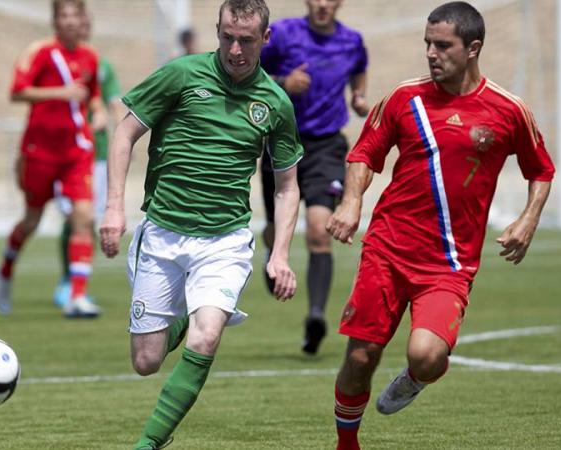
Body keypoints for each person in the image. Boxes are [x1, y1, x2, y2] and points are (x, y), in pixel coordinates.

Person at [325, 2, 555, 449]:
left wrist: (528, 219)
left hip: (449, 264)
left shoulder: (508, 109)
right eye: (428, 43)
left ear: (473, 48)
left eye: (443, 45)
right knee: (360, 355)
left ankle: (418, 377)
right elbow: (364, 154)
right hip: (387, 250)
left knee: (427, 357)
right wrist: (352, 203)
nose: (431, 53)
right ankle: (346, 444)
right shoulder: (403, 97)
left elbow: (541, 169)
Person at [99, 1, 303, 448]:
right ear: (217, 30)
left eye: (246, 40)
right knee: (146, 361)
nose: (234, 49)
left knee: (207, 338)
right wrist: (114, 207)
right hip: (162, 234)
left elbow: (287, 186)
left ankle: (147, 443)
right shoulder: (181, 74)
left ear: (265, 40)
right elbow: (124, 132)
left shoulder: (275, 103)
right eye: (227, 36)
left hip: (225, 241)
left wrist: (281, 253)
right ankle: (177, 325)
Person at [259, 0, 368, 355]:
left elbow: (359, 69)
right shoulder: (283, 34)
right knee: (278, 231)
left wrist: (359, 97)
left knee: (320, 230)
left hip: (327, 148)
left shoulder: (352, 41)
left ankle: (316, 315)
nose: (322, 4)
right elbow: (248, 71)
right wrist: (282, 82)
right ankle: (271, 245)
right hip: (282, 142)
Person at [0, 0, 104, 317]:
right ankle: (6, 269)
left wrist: (96, 113)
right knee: (32, 220)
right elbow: (16, 92)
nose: (70, 21)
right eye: (64, 16)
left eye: (75, 15)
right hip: (39, 151)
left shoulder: (90, 56)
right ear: (55, 21)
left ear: (82, 19)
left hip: (76, 152)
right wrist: (59, 93)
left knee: (83, 218)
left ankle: (77, 297)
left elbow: (92, 94)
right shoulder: (41, 52)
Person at [53, 10, 126, 308]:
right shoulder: (55, 61)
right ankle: (67, 278)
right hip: (64, 152)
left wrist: (124, 139)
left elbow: (114, 102)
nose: (79, 28)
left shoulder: (99, 64)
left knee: (86, 218)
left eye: (84, 24)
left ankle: (76, 283)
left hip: (94, 155)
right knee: (73, 217)